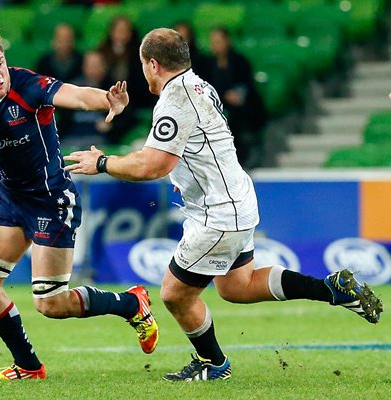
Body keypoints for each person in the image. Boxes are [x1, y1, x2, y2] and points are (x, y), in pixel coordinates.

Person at [64, 28, 383, 382]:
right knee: (237, 286)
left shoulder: (176, 100)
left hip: (218, 212)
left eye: (142, 65)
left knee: (174, 294)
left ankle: (213, 364)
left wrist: (103, 163)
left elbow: (154, 165)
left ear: (152, 64)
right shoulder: (197, 84)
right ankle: (332, 288)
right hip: (235, 198)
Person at [0, 26, 159, 380]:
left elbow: (75, 95)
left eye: (0, 63)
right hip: (8, 198)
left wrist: (108, 101)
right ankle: (29, 366)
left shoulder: (26, 86)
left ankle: (130, 303)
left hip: (51, 199)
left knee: (50, 303)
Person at [205, 27, 266, 169]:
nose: (216, 46)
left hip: (240, 105)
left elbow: (246, 84)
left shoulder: (240, 61)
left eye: (219, 42)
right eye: (213, 42)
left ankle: (244, 154)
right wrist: (223, 95)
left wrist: (237, 94)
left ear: (227, 41)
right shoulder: (207, 64)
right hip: (216, 104)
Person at [62, 49, 137, 148]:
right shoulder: (73, 87)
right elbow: (62, 116)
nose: (93, 70)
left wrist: (112, 125)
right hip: (73, 135)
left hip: (100, 137)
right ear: (84, 67)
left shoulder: (114, 88)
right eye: (90, 66)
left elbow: (129, 115)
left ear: (104, 67)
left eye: (96, 65)